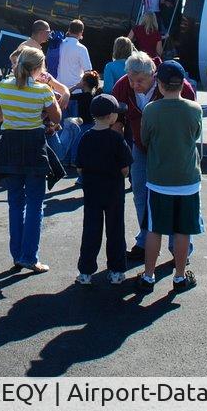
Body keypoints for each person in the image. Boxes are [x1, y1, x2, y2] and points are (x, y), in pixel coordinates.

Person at [111, 51, 196, 258]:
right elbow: (117, 121)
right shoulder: (122, 86)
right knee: (140, 190)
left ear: (153, 75)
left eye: (139, 80)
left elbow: (190, 115)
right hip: (140, 147)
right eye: (131, 79)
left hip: (172, 151)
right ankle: (145, 239)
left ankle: (178, 248)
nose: (134, 85)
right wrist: (118, 154)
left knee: (175, 196)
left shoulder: (177, 86)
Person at [0, 46, 70, 273]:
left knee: (15, 203)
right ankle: (30, 256)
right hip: (34, 146)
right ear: (37, 68)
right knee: (35, 203)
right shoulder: (42, 90)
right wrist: (49, 95)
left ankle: (17, 255)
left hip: (10, 145)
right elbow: (57, 116)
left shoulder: (3, 86)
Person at [137, 60, 203, 292]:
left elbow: (145, 140)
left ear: (160, 84)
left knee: (155, 229)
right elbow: (195, 136)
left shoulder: (151, 110)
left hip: (159, 179)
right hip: (187, 179)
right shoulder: (195, 109)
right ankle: (179, 275)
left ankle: (148, 276)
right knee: (182, 229)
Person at [74, 93, 132, 284]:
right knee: (115, 230)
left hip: (91, 190)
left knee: (90, 229)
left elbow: (80, 166)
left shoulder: (86, 137)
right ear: (111, 116)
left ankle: (85, 272)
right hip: (114, 190)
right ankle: (116, 270)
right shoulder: (116, 139)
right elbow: (125, 169)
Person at [54, 19, 94, 89]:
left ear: (69, 30)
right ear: (81, 32)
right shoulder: (82, 48)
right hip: (75, 90)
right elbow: (87, 72)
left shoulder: (59, 44)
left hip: (58, 88)